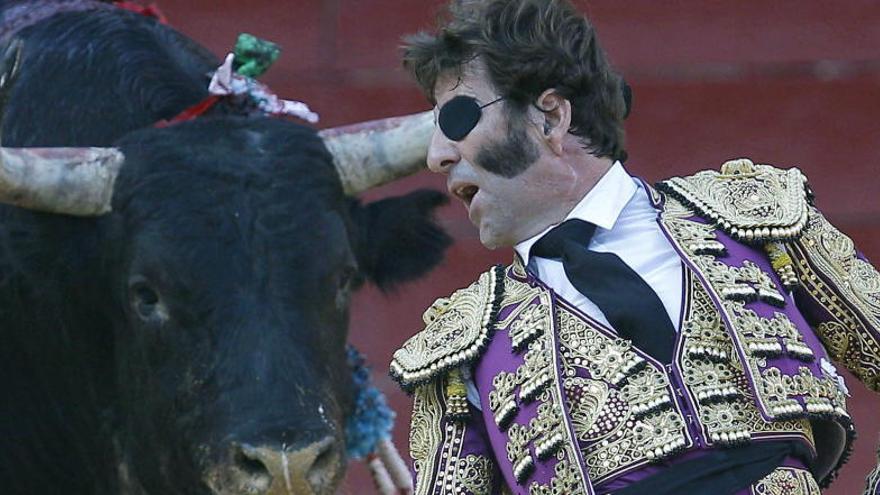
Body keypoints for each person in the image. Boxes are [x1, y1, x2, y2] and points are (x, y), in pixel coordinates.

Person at [388, 1, 880, 494]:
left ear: (551, 117)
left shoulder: (753, 218)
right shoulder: (463, 347)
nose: (436, 156)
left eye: (455, 119)